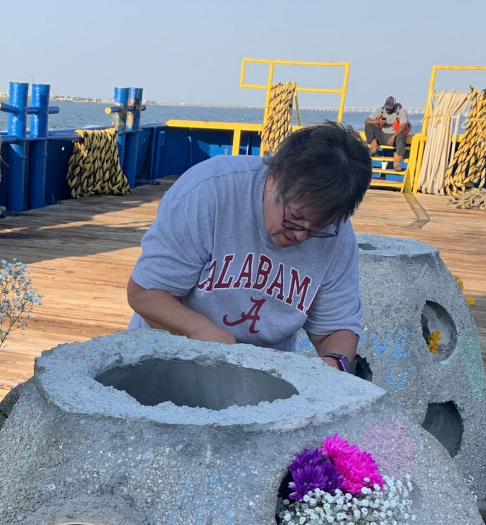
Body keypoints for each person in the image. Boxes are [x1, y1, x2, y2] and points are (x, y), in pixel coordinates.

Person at [126, 122, 372, 373]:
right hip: (167, 359)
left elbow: (335, 327)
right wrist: (199, 330)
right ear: (274, 177)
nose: (300, 234)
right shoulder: (209, 191)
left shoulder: (336, 234)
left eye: (317, 227)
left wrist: (334, 365)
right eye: (296, 217)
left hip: (261, 377)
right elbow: (144, 293)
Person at [365, 96, 411, 171]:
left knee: (402, 135)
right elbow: (366, 121)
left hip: (395, 136)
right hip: (383, 135)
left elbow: (403, 126)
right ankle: (374, 148)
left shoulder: (401, 111)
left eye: (390, 108)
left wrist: (393, 136)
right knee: (369, 127)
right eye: (387, 108)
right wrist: (377, 121)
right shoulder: (380, 110)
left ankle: (396, 163)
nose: (388, 110)